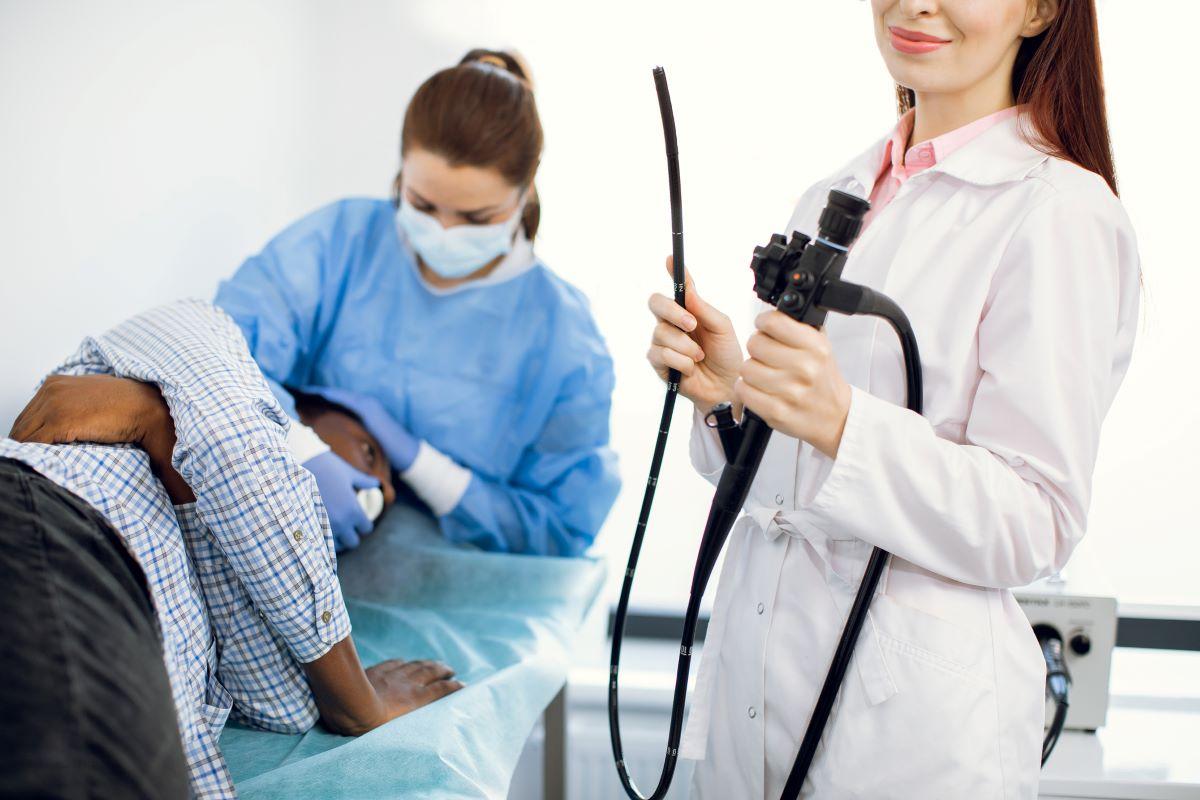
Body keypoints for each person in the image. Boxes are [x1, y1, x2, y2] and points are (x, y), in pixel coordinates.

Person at [646, 0, 1140, 797]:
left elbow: (1037, 518)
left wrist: (846, 425)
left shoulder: (1059, 215)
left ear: (1043, 10)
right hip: (759, 691)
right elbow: (799, 484)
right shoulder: (837, 192)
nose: (917, 4)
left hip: (913, 739)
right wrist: (732, 394)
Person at [3, 301, 461, 797]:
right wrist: (359, 701)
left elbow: (279, 706)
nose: (381, 493)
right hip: (58, 532)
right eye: (371, 454)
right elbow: (231, 443)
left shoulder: (242, 544)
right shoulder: (198, 328)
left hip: (129, 627)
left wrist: (159, 429)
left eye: (385, 500)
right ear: (305, 409)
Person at [212, 48, 620, 554]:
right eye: (424, 205)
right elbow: (220, 353)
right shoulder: (341, 242)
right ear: (401, 170)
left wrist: (424, 465)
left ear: (525, 192)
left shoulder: (563, 337)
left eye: (476, 218)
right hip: (289, 543)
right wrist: (299, 445)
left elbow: (560, 528)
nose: (444, 231)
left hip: (458, 606)